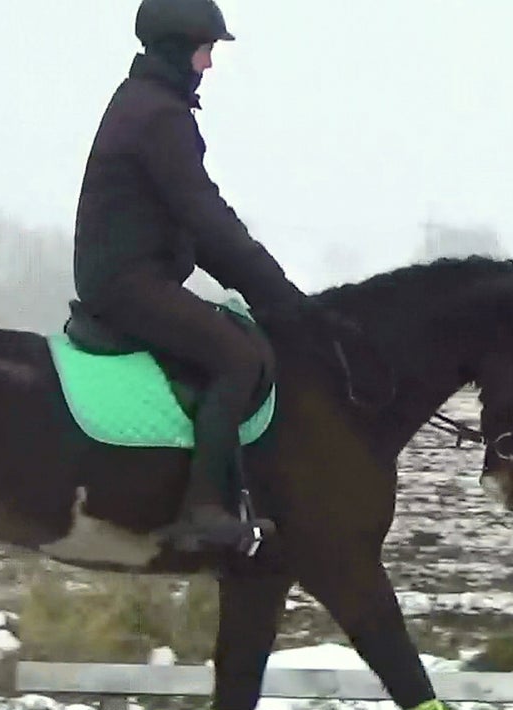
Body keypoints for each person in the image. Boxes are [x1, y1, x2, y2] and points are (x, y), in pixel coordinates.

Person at [73, 0, 319, 553]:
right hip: (127, 283)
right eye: (205, 50)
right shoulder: (159, 117)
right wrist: (279, 297)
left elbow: (196, 228)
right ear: (175, 50)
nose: (208, 64)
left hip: (134, 275)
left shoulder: (145, 103)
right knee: (239, 357)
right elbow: (206, 219)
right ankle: (204, 511)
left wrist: (265, 290)